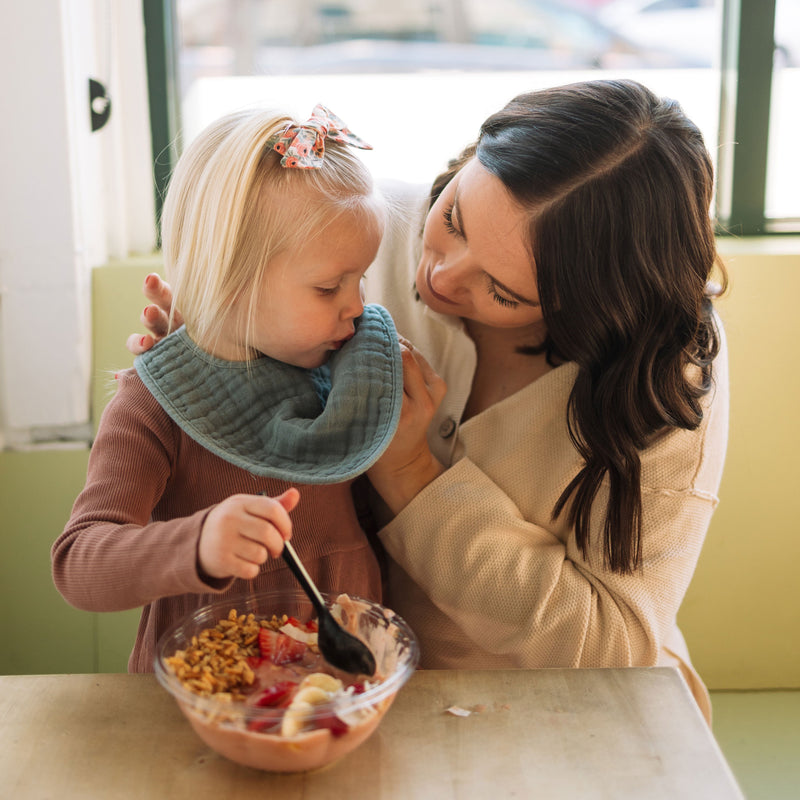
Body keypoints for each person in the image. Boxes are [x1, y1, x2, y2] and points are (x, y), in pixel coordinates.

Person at [130, 79, 729, 722]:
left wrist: (411, 475)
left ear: (593, 310)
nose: (438, 276)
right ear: (472, 154)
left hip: (564, 715)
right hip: (338, 687)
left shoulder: (666, 377)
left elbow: (614, 644)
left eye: (502, 292)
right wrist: (212, 363)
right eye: (454, 218)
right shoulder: (350, 229)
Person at [52, 104, 405, 673]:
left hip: (340, 686)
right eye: (327, 287)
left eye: (359, 278)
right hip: (200, 691)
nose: (357, 307)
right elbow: (78, 565)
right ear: (231, 282)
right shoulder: (155, 402)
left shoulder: (343, 372)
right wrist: (197, 543)